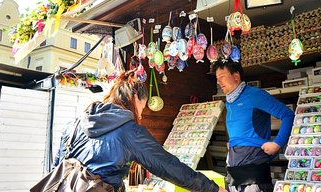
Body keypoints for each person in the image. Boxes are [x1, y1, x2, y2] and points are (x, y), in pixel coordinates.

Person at [53, 70, 226, 192]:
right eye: (141, 109)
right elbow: (167, 166)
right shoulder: (129, 131)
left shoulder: (74, 124)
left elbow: (57, 168)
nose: (140, 116)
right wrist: (211, 188)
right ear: (134, 98)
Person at [211, 61, 294, 192]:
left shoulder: (255, 95)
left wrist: (278, 143)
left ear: (236, 76)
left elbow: (288, 115)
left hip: (254, 174)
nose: (218, 82)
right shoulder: (229, 102)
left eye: (222, 77)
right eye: (217, 78)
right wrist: (232, 142)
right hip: (233, 172)